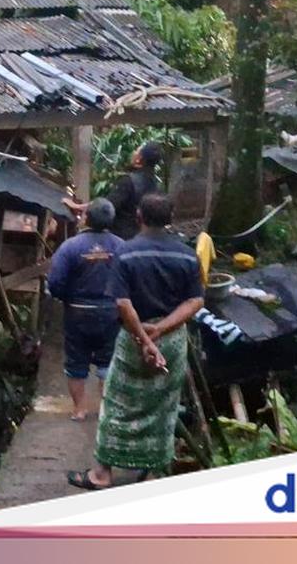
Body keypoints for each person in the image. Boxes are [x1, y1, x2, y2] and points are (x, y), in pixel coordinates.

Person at [66, 193, 204, 490]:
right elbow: (195, 301)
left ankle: (102, 474)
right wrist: (161, 330)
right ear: (170, 219)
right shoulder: (187, 255)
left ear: (139, 216)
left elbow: (122, 303)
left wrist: (143, 336)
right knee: (163, 405)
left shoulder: (126, 253)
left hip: (133, 338)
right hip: (171, 341)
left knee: (117, 402)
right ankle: (152, 473)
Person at [47, 198, 124, 421]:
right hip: (111, 312)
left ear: (86, 218)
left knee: (76, 362)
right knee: (108, 362)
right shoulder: (121, 246)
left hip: (77, 312)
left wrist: (66, 299)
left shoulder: (70, 247)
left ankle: (80, 409)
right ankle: (106, 411)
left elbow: (55, 282)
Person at [63, 142, 164, 240]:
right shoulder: (155, 184)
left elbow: (106, 206)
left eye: (137, 151)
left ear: (139, 159)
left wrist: (77, 207)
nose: (134, 152)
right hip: (143, 237)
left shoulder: (129, 181)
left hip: (122, 237)